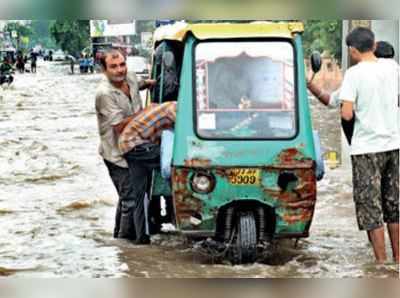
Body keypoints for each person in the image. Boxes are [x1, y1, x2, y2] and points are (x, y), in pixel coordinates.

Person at [339, 27, 399, 264]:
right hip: (394, 146)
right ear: (374, 45)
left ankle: (381, 265)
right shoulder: (393, 68)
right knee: (394, 204)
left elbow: (346, 114)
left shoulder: (354, 74)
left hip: (366, 149)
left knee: (370, 207)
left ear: (353, 51)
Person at [95, 48, 156, 243]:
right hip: (117, 155)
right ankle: (125, 247)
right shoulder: (104, 94)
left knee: (128, 198)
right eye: (113, 67)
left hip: (136, 148)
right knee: (130, 199)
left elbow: (137, 84)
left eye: (122, 64)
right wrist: (150, 113)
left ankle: (119, 239)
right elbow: (120, 125)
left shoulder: (128, 77)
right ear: (104, 70)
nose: (119, 70)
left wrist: (149, 83)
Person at [118, 101, 177, 245]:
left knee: (140, 194)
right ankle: (177, 210)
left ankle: (141, 238)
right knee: (175, 164)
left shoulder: (167, 106)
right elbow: (186, 130)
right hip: (135, 144)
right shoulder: (174, 109)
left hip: (127, 146)